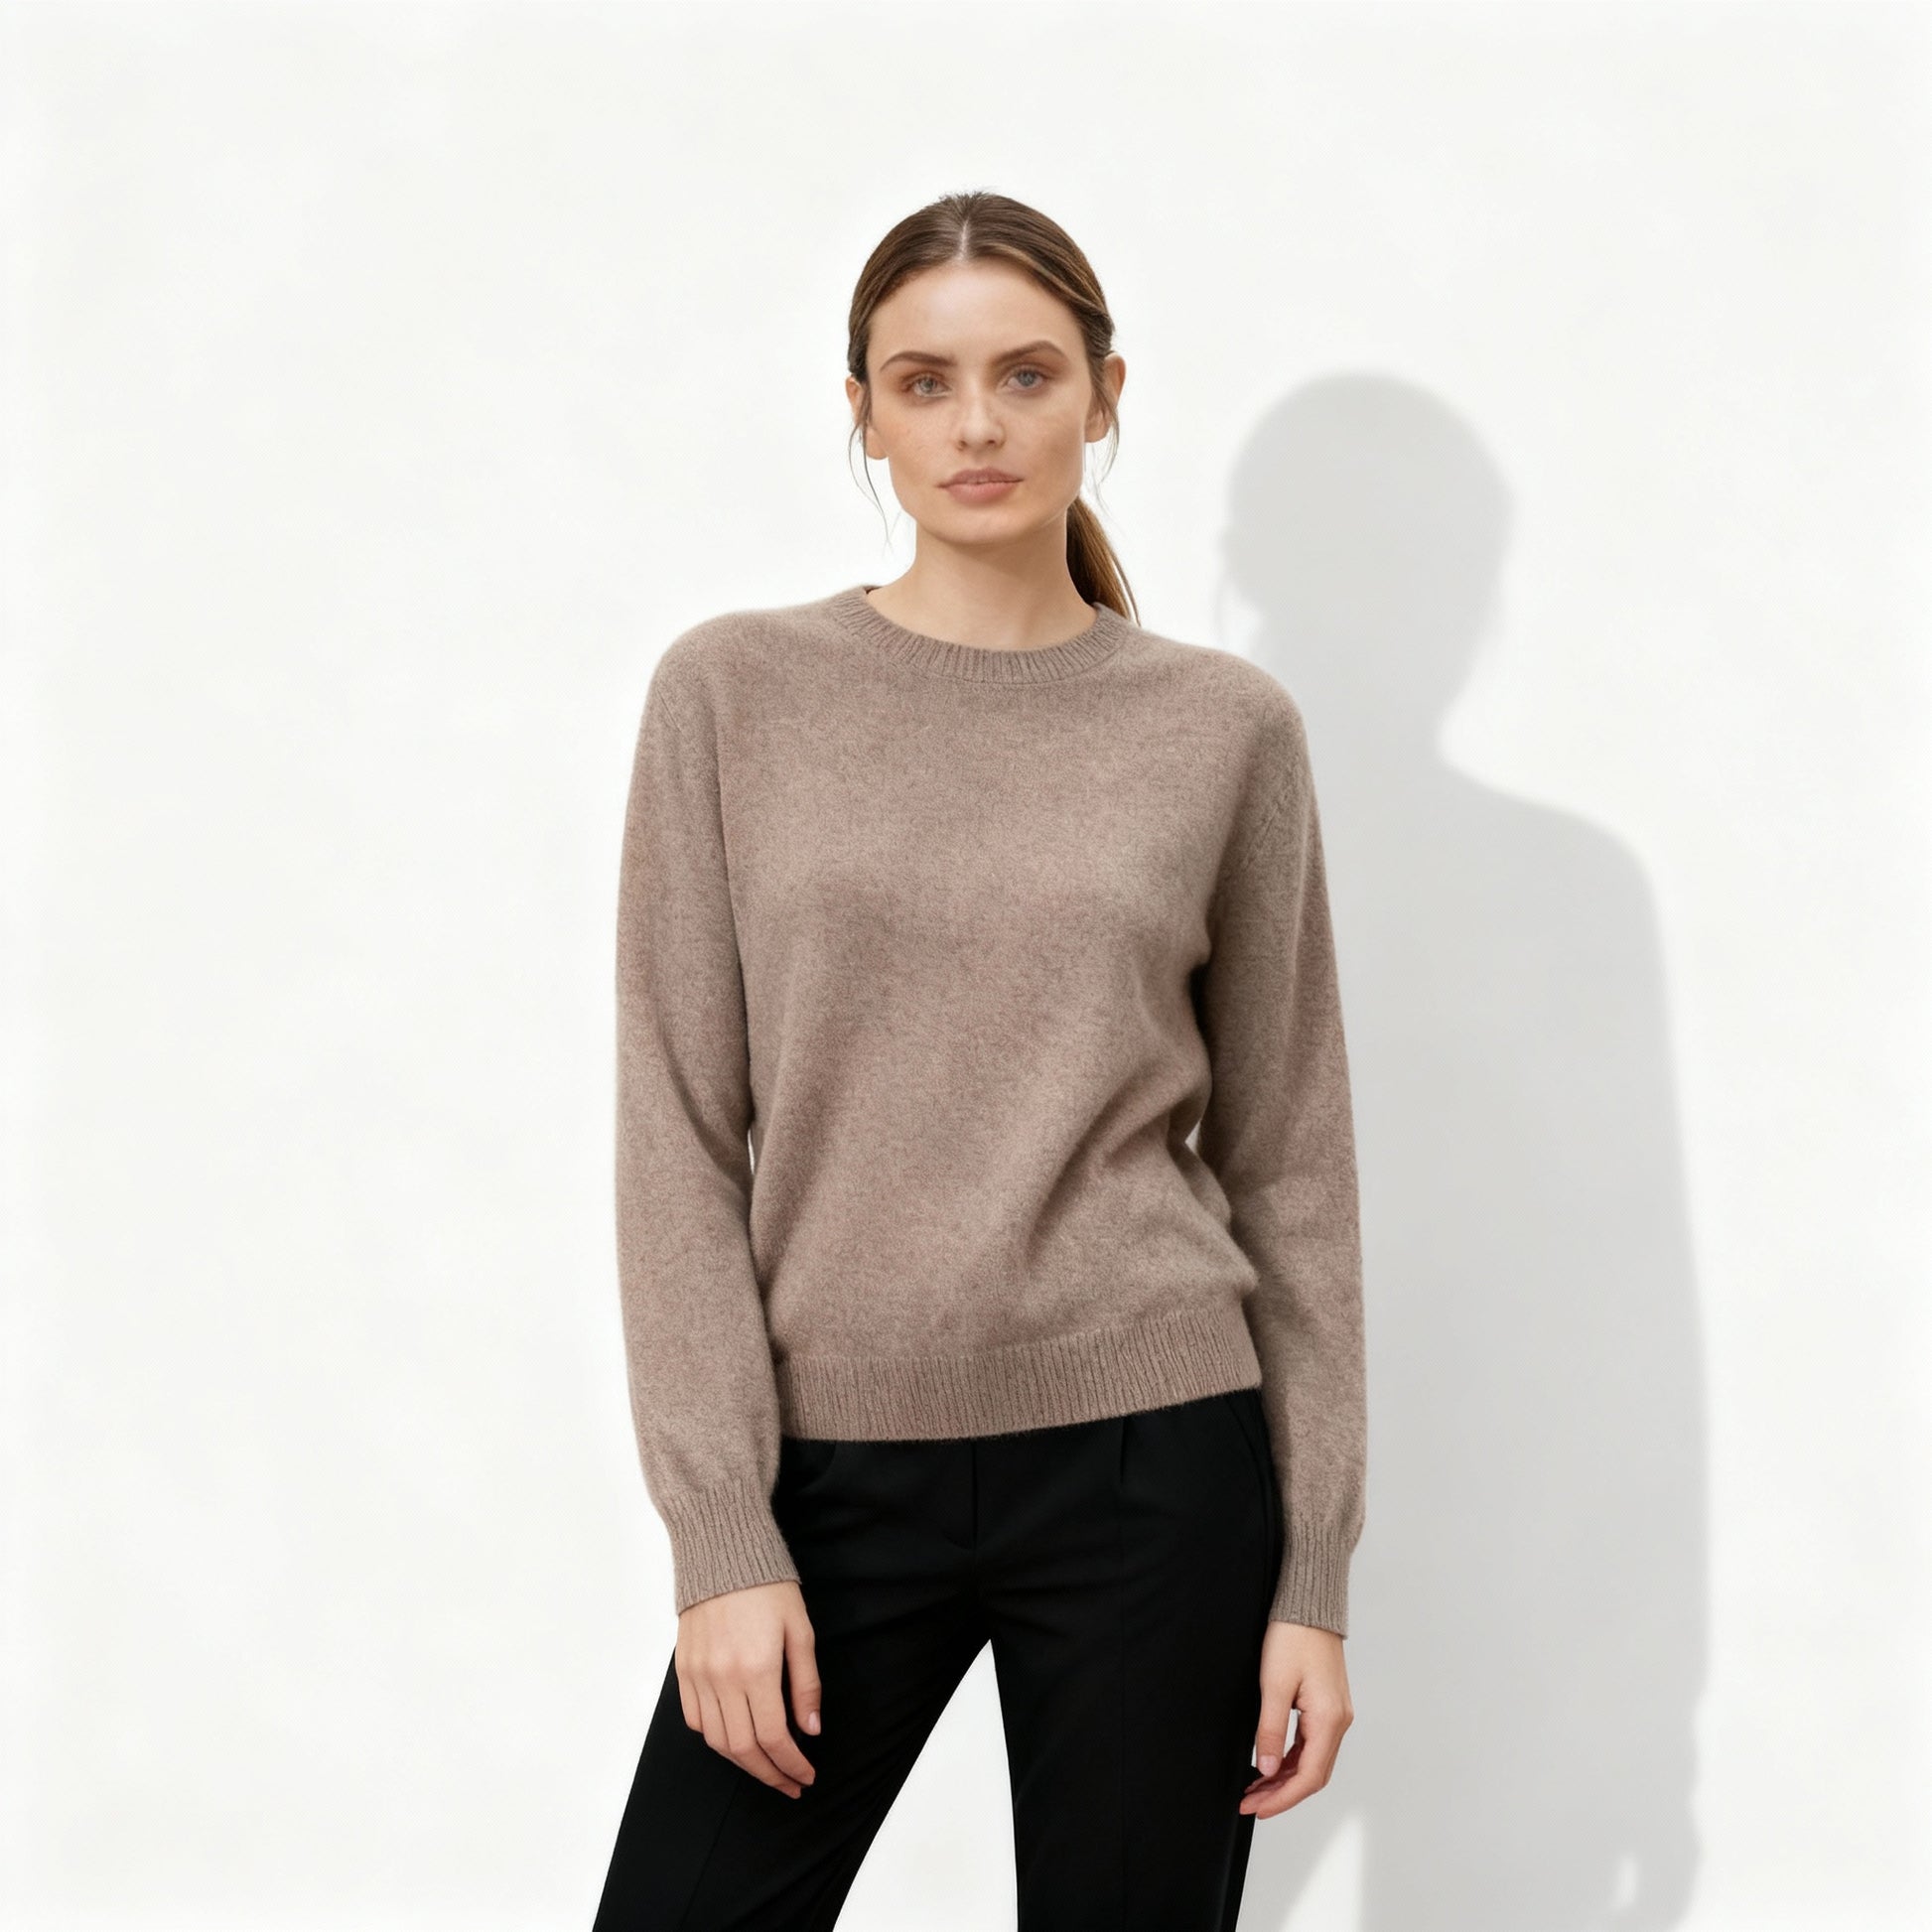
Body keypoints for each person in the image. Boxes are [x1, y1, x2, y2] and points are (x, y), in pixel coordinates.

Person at [592, 189, 1366, 1931]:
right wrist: (721, 1537)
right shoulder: (731, 693)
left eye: (1024, 375)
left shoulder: (1221, 729)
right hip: (827, 1467)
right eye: (923, 382)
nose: (976, 426)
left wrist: (1311, 1572)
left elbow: (1291, 1163)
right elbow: (678, 1135)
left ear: (1103, 394)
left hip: (1152, 1465)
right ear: (861, 413)